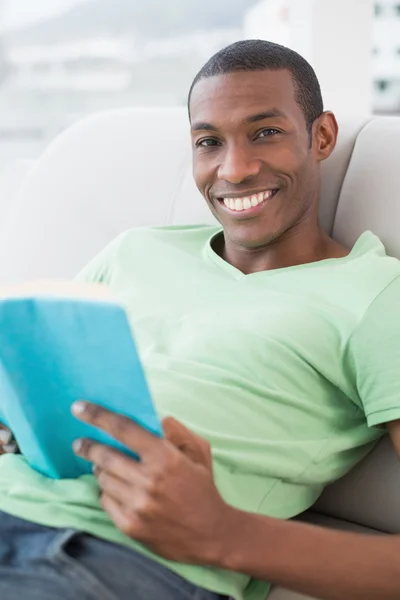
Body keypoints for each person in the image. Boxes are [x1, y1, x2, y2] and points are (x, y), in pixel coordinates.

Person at [1, 39, 400, 600]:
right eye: (209, 142)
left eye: (266, 132)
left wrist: (224, 533)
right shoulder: (133, 251)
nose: (234, 169)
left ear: (322, 136)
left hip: (94, 559)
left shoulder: (377, 296)